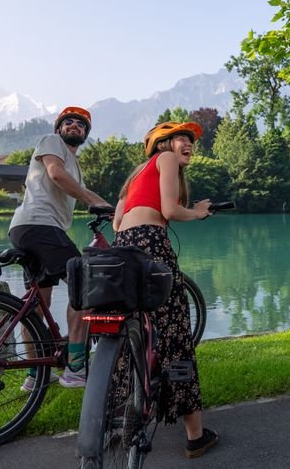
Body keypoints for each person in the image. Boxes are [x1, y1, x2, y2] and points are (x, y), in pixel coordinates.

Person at [112, 121, 218, 458]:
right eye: (181, 139)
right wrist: (198, 212)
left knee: (130, 331)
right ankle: (195, 436)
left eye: (190, 141)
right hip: (152, 246)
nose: (188, 144)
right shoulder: (166, 160)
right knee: (174, 336)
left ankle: (121, 408)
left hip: (122, 250)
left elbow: (117, 224)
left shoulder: (134, 176)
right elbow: (170, 210)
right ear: (163, 143)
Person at [9, 106, 111, 391]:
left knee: (35, 302)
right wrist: (92, 201)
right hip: (41, 226)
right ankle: (75, 369)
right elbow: (55, 174)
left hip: (27, 228)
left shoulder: (75, 166)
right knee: (85, 286)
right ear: (59, 128)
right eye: (68, 121)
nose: (74, 125)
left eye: (81, 124)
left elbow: (84, 193)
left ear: (86, 133)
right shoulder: (52, 143)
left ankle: (35, 374)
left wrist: (115, 211)